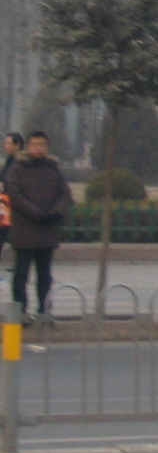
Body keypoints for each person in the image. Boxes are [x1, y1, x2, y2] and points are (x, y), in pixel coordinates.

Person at [4, 131, 71, 323]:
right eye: (34, 144)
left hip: (47, 232)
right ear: (28, 146)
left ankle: (44, 311)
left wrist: (55, 212)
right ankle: (21, 312)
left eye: (42, 145)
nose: (38, 148)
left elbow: (65, 194)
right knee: (21, 275)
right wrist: (35, 213)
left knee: (45, 276)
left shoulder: (53, 168)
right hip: (24, 231)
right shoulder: (18, 168)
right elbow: (14, 195)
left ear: (47, 147)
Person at [0, 132, 22, 267]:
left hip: (14, 207)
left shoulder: (20, 163)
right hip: (4, 205)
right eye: (5, 143)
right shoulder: (9, 161)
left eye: (9, 143)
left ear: (17, 145)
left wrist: (5, 186)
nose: (6, 146)